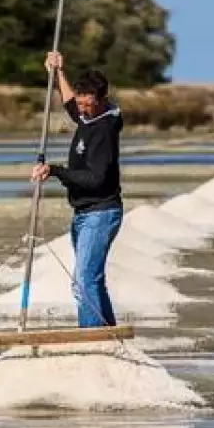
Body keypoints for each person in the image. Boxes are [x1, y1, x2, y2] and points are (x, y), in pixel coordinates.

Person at [32, 51, 123, 328]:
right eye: (82, 104)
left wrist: (56, 170)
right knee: (93, 280)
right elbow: (71, 105)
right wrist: (58, 71)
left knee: (83, 281)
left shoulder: (104, 130)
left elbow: (95, 179)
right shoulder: (88, 115)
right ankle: (108, 333)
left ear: (101, 99)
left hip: (101, 212)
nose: (82, 110)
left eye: (88, 105)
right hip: (83, 213)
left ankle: (92, 339)